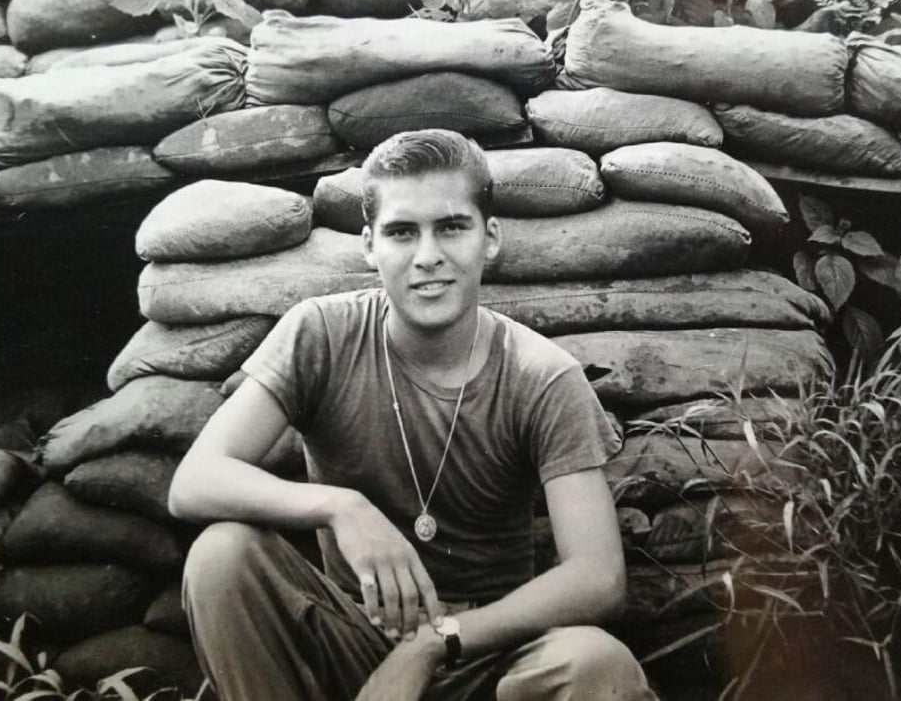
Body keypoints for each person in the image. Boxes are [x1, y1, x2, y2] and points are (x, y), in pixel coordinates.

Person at [169, 129, 658, 701]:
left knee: (595, 662)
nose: (429, 256)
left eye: (452, 227)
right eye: (402, 232)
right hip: (355, 649)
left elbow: (598, 577)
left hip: (488, 656)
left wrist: (431, 644)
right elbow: (194, 480)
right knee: (223, 555)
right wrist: (340, 507)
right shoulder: (321, 335)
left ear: (489, 238)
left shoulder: (541, 375)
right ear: (369, 245)